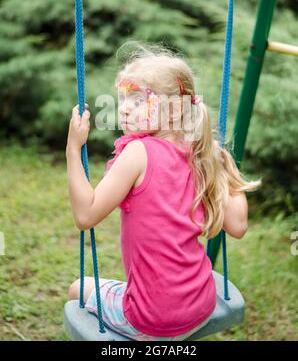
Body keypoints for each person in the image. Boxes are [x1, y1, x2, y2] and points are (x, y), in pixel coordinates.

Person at [66, 44, 261, 341]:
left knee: (78, 288)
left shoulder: (137, 153)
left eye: (138, 99)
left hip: (150, 320)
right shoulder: (200, 155)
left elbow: (85, 215)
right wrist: (223, 165)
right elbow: (238, 226)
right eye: (123, 99)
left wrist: (72, 148)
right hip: (202, 305)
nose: (125, 108)